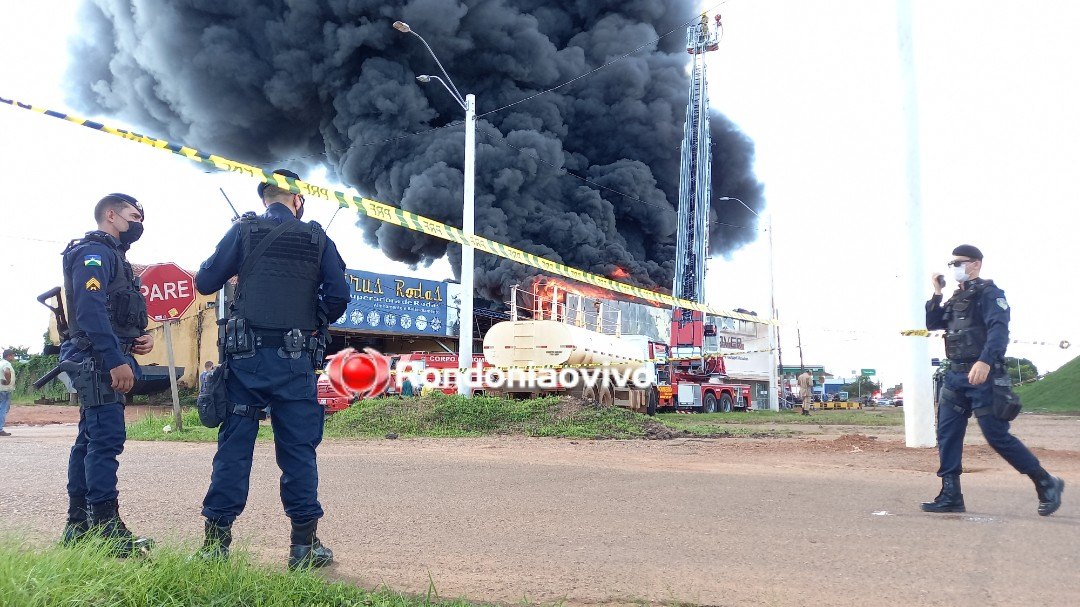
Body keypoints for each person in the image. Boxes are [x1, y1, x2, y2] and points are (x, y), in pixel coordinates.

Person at [194, 169, 349, 569]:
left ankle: (215, 546)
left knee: (234, 450)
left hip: (245, 364)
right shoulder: (317, 237)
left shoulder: (243, 231)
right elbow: (338, 296)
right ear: (297, 199)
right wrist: (311, 320)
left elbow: (205, 281)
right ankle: (303, 548)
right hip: (295, 363)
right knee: (298, 451)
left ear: (266, 198)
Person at [922, 244, 1064, 516]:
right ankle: (951, 494)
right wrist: (937, 293)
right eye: (951, 264)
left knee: (996, 436)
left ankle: (1045, 482)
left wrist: (986, 361)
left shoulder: (990, 293)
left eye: (958, 263)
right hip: (955, 376)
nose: (954, 268)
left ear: (975, 264)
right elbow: (932, 323)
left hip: (982, 377)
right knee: (947, 434)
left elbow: (999, 330)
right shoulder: (955, 297)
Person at [59, 193, 155, 554]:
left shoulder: (117, 259)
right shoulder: (93, 253)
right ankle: (106, 529)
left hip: (106, 355)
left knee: (90, 439)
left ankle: (78, 526)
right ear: (111, 215)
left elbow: (116, 315)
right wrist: (116, 359)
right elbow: (90, 311)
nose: (138, 223)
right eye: (133, 216)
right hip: (98, 360)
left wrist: (136, 342)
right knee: (105, 441)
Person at [0, 349, 15, 436]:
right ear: (9, 356)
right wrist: (8, 381)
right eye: (12, 356)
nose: (13, 357)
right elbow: (7, 371)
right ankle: (0, 429)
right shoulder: (6, 364)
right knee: (3, 409)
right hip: (5, 390)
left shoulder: (0, 363)